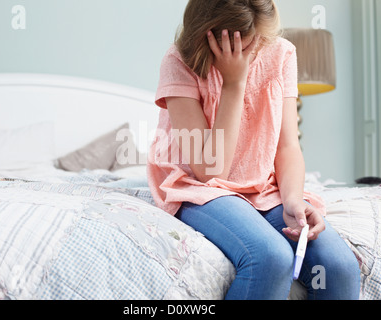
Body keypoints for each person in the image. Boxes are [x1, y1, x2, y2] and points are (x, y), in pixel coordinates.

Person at [146, 0, 361, 300]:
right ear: (210, 38)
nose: (257, 50)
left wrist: (292, 200)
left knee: (340, 268)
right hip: (200, 187)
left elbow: (287, 146)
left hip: (262, 188)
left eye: (261, 40)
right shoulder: (179, 61)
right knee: (272, 258)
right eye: (246, 46)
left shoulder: (282, 53)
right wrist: (234, 83)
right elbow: (210, 171)